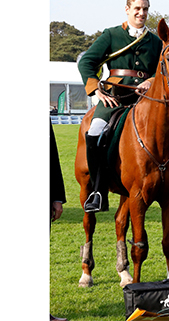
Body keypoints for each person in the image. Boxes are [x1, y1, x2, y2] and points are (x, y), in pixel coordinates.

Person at [77, 0, 169, 213]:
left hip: (149, 99)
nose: (141, 13)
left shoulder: (155, 40)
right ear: (127, 10)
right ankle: (99, 190)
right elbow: (87, 63)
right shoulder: (111, 35)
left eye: (145, 9)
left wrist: (151, 80)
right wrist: (96, 91)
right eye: (137, 9)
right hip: (116, 96)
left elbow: (164, 69)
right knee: (94, 132)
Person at [50, 123, 68, 321]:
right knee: (97, 129)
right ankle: (98, 186)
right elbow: (90, 89)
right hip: (111, 103)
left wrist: (57, 197)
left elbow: (51, 156)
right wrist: (102, 93)